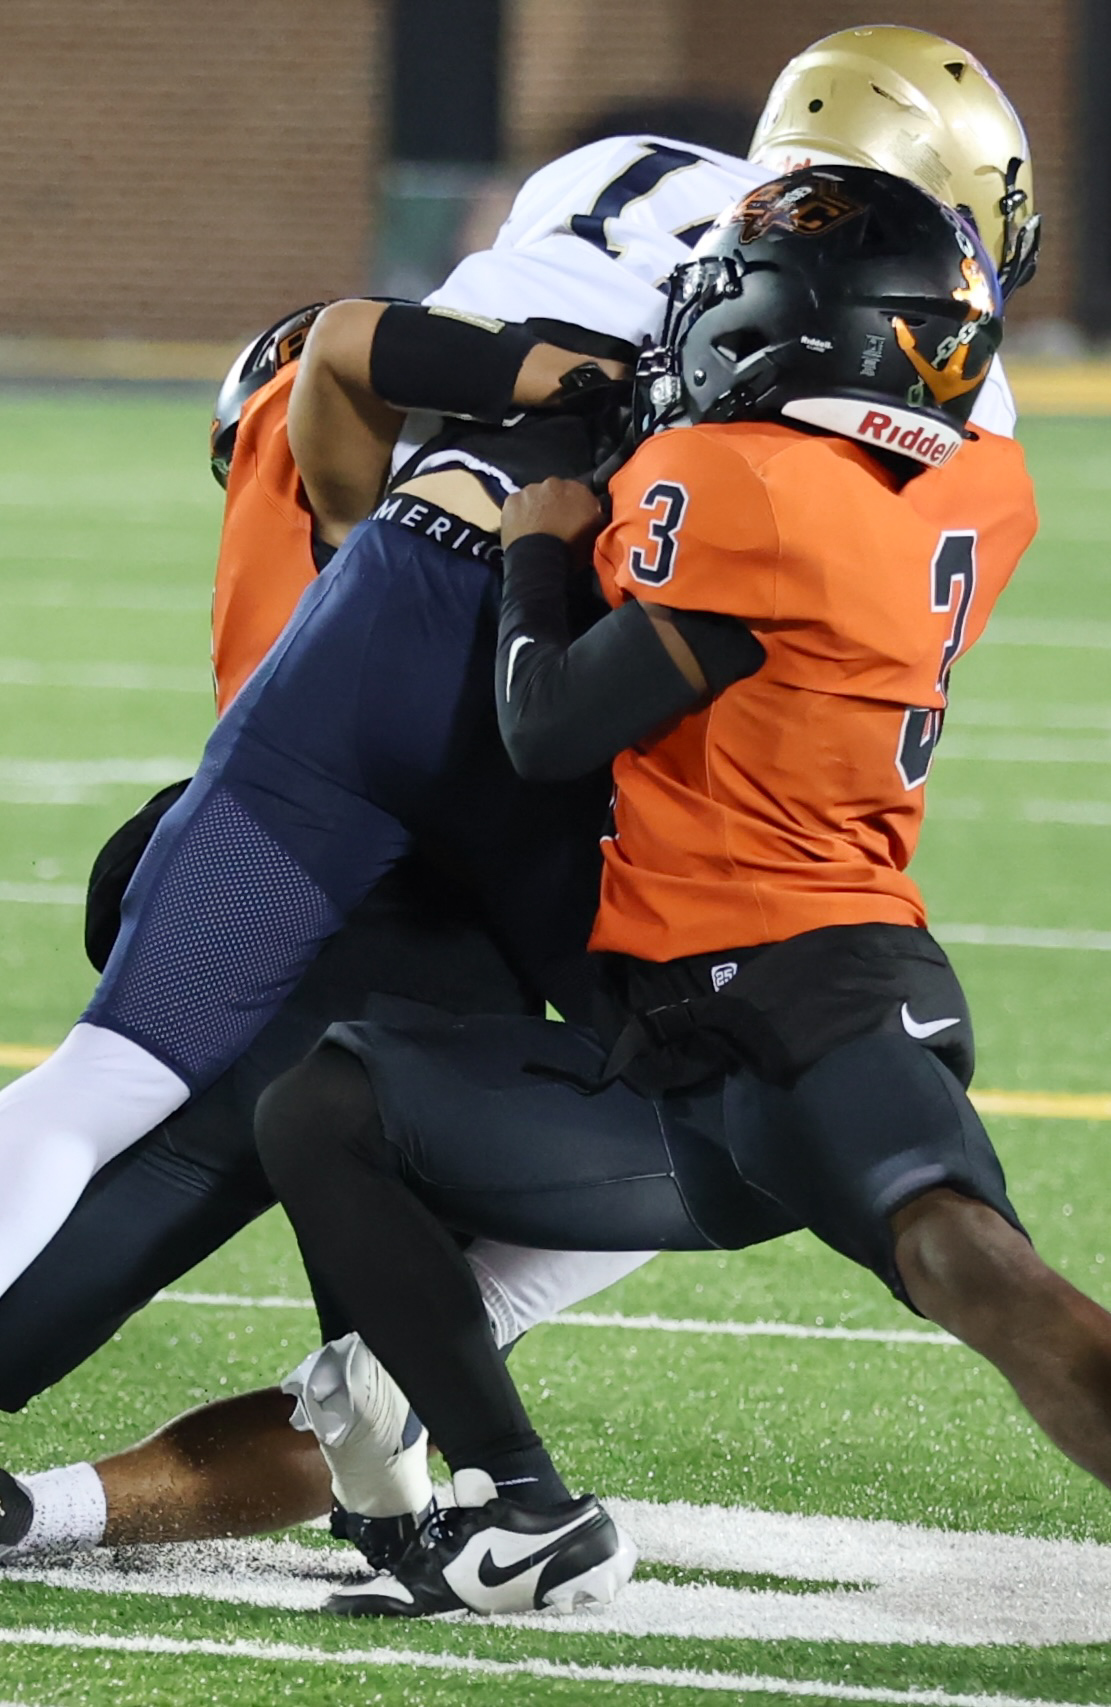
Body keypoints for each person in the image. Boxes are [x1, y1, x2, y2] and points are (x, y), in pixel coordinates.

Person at [0, 25, 1040, 1562]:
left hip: (378, 648)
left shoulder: (612, 177)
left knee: (136, 1091)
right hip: (565, 722)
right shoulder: (946, 372)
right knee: (712, 1099)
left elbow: (346, 351)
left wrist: (527, 395)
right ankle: (436, 1438)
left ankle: (405, 1462)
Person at [252, 166, 1106, 1625]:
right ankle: (524, 1516)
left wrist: (535, 544)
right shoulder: (981, 483)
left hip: (801, 998)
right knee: (327, 1110)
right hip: (688, 1056)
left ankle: (487, 1479)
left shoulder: (739, 484)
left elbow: (546, 726)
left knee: (971, 1261)